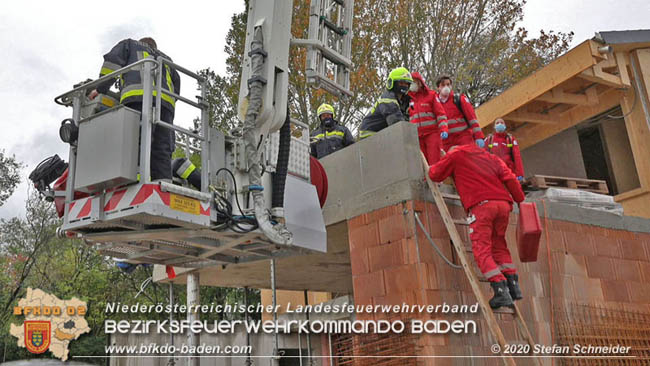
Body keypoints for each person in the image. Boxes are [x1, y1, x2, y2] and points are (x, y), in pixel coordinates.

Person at [428, 144, 526, 309]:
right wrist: (520, 199)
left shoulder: (456, 155)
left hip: (482, 206)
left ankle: (501, 291)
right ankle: (513, 287)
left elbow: (435, 174)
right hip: (502, 205)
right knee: (499, 246)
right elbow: (509, 177)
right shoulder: (489, 157)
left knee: (482, 249)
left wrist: (433, 167)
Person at [90, 37, 181, 181]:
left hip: (137, 98)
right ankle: (163, 185)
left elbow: (112, 63)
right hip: (165, 105)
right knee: (162, 147)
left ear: (142, 43)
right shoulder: (167, 59)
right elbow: (176, 85)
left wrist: (100, 88)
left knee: (136, 141)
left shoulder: (129, 45)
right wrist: (166, 102)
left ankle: (136, 180)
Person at [358, 67, 413, 140]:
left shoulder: (404, 101)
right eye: (401, 83)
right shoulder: (387, 99)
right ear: (392, 83)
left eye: (406, 84)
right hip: (370, 134)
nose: (404, 86)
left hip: (383, 133)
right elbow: (396, 122)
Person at [408, 72, 449, 164]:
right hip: (417, 137)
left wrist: (444, 129)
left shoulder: (431, 95)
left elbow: (440, 114)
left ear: (419, 82)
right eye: (410, 82)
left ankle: (437, 178)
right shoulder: (408, 99)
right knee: (422, 164)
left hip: (432, 134)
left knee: (435, 162)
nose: (412, 85)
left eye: (414, 82)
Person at [436, 75, 485, 152]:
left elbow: (472, 118)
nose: (446, 87)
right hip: (446, 141)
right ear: (438, 88)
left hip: (463, 137)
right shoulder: (435, 103)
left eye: (448, 84)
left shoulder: (459, 99)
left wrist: (479, 136)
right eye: (443, 85)